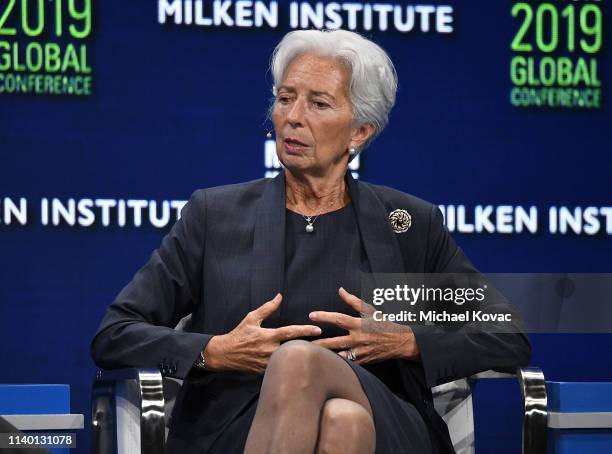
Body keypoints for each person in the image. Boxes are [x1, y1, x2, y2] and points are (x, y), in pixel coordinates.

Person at [91, 29, 530, 454]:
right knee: (342, 421)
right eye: (285, 98)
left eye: (318, 103)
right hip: (238, 424)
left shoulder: (410, 225)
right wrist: (213, 351)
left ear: (360, 132)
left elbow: (507, 335)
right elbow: (115, 334)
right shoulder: (216, 216)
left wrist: (409, 341)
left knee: (301, 362)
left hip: (389, 423)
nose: (293, 117)